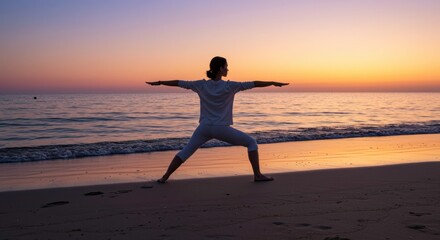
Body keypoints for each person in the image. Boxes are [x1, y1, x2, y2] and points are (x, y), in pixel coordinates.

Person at [146, 56, 288, 183]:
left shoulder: (201, 85)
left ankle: (164, 177)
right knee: (252, 143)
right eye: (226, 66)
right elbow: (254, 83)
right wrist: (272, 82)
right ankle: (257, 175)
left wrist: (160, 82)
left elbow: (179, 82)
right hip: (221, 128)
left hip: (204, 128)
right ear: (220, 68)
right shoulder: (230, 86)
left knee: (186, 151)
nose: (228, 69)